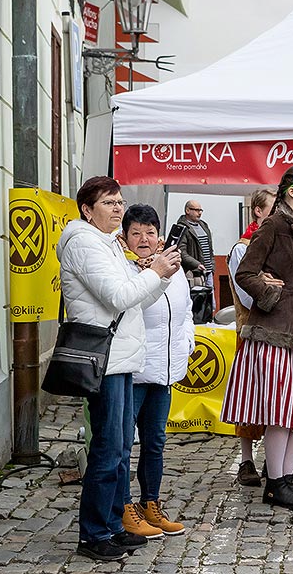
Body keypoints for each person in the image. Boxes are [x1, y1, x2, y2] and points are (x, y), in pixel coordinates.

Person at [56, 176, 180, 561]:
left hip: (122, 358)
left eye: (119, 201)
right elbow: (118, 296)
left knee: (121, 447)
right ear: (87, 210)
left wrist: (162, 276)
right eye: (108, 202)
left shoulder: (109, 244)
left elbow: (136, 301)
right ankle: (93, 534)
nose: (117, 208)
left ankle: (112, 524)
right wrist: (155, 272)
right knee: (108, 449)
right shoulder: (84, 244)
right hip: (104, 361)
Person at [220, 166, 293, 509]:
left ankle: (285, 478)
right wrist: (270, 292)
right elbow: (244, 273)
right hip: (274, 331)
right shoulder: (274, 224)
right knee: (281, 413)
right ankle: (276, 481)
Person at [118, 204, 194, 539]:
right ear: (125, 237)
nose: (144, 239)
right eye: (136, 233)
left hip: (163, 371)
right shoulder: (122, 268)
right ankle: (123, 507)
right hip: (133, 370)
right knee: (122, 444)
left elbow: (186, 310)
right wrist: (154, 274)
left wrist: (187, 342)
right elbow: (131, 306)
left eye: (150, 232)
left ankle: (151, 503)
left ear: (160, 236)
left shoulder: (173, 269)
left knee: (155, 442)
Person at [226, 188, 276, 487]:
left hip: (275, 331)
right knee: (250, 397)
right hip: (251, 331)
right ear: (258, 211)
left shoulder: (275, 245)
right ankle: (246, 460)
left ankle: (273, 458)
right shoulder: (242, 249)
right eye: (272, 208)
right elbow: (247, 297)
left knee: (274, 397)